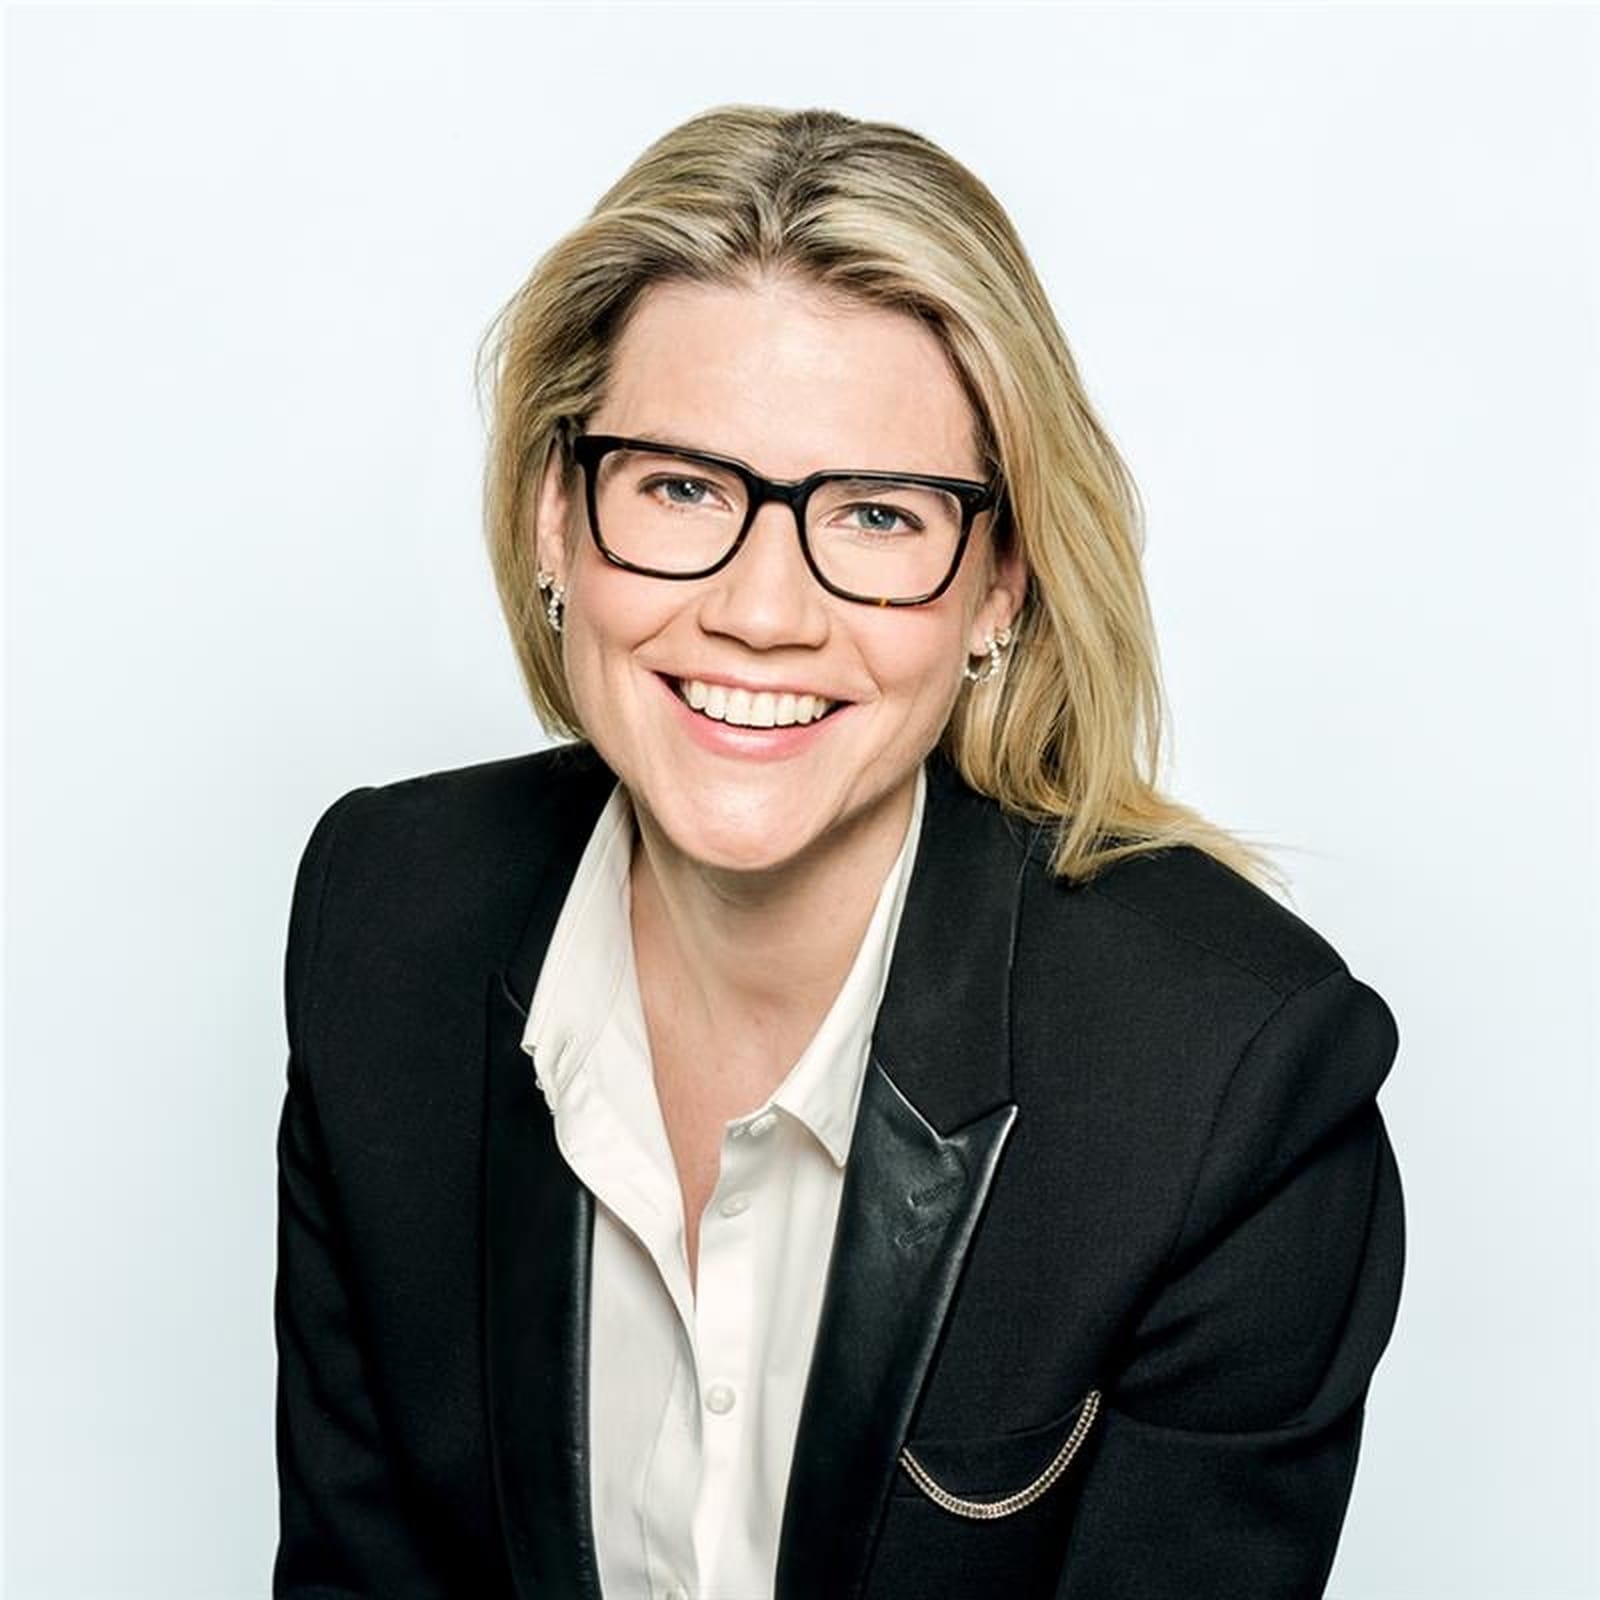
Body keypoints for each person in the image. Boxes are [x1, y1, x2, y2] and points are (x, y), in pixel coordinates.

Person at [272, 105, 1404, 1600]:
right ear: (557, 517)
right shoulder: (382, 920)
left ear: (998, 585)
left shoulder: (1228, 1080)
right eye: (681, 487)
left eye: (875, 516)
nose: (761, 611)